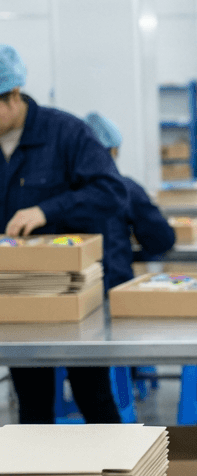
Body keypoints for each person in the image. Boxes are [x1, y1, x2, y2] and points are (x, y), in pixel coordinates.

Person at [0, 44, 127, 424]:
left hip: (75, 297)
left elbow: (110, 192)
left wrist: (45, 210)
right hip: (20, 295)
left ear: (14, 95)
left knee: (93, 395)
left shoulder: (67, 133)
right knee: (33, 404)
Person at [83, 112, 176, 266]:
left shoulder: (60, 191)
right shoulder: (126, 189)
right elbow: (161, 240)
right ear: (113, 151)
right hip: (114, 283)